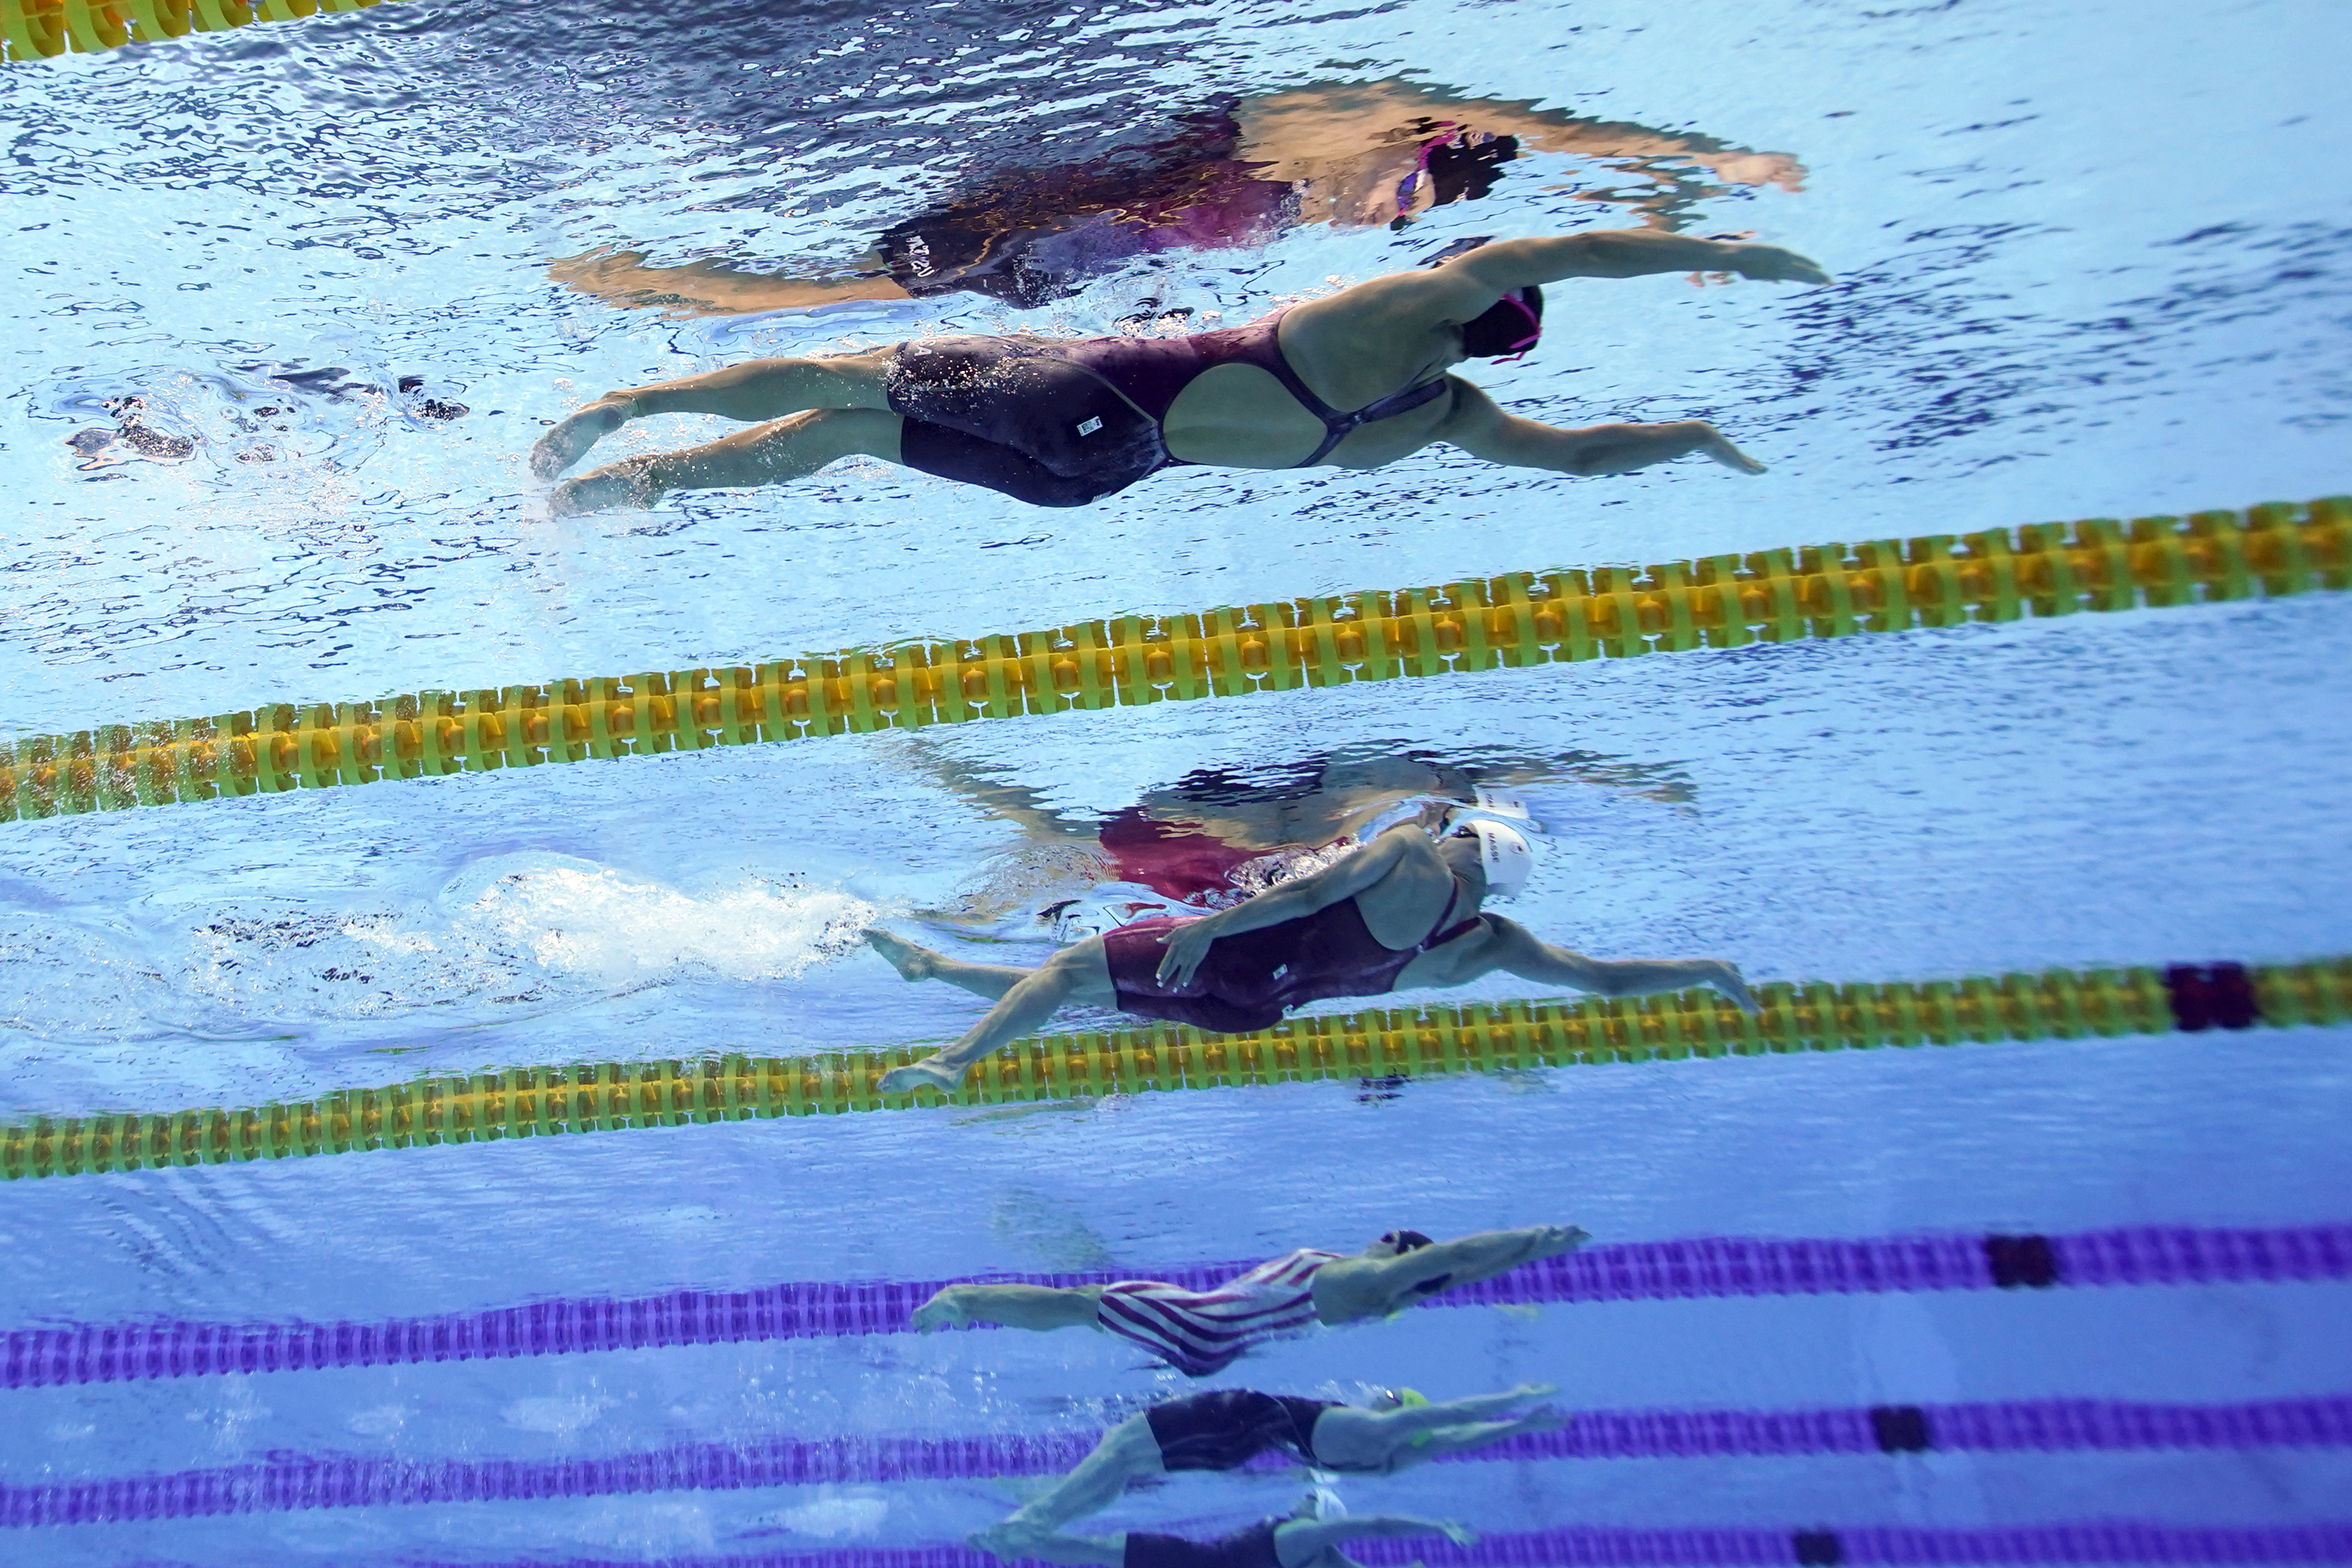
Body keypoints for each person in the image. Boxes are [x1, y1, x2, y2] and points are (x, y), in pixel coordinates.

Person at [532, 226, 1829, 514]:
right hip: (1085, 481)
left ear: (1473, 295)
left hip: (1080, 390)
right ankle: (632, 494)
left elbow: (1578, 247)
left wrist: (1722, 252)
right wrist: (1694, 440)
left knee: (860, 378)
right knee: (848, 440)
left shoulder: (1383, 317)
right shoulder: (1440, 418)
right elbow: (1584, 454)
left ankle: (628, 412)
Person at [549, 81, 1803, 318]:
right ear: (1418, 133)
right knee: (823, 292)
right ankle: (605, 269)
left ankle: (631, 283)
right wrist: (1720, 159)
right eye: (1406, 193)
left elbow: (1553, 165)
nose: (1387, 218)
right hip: (1023, 222)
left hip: (1056, 265)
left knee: (818, 302)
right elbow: (1559, 128)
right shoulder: (1341, 116)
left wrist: (1666, 208)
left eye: (1411, 222)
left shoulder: (1328, 187)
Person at [867, 804, 1755, 1095]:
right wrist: (1704, 970)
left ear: (1465, 842)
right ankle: (936, 969)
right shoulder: (1486, 944)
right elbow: (1599, 980)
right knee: (1073, 991)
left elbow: (1310, 891)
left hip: (1233, 956)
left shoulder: (1411, 851)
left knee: (1065, 971)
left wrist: (1209, 925)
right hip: (1255, 1013)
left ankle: (953, 1061)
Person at [972, 1382, 1562, 1559]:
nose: (1379, 1398)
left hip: (1233, 1417)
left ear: (1400, 1413)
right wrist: (1519, 1427)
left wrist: (1513, 1398)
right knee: (1120, 1467)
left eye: (1389, 1397)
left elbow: (1454, 1409)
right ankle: (1028, 1531)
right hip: (1237, 1443)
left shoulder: (1374, 1431)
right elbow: (1453, 1436)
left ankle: (1033, 1519)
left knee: (1115, 1447)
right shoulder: (1383, 1461)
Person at [910, 1224, 1588, 1377]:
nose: (1382, 1237)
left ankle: (965, 1301)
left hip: (1206, 1322)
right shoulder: (1375, 1294)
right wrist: (1525, 1255)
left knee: (1085, 1301)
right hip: (1218, 1342)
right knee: (1088, 1309)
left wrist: (1535, 1239)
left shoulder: (1363, 1283)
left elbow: (1456, 1260)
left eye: (1394, 1241)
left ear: (1400, 1257)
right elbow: (1455, 1274)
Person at [984, 1496, 1476, 1568]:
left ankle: (1006, 1539)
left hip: (1178, 1559)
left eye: (1307, 1504)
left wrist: (1435, 1526)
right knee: (1087, 1554)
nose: (1298, 1503)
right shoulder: (1305, 1551)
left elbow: (1373, 1524)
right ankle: (1005, 1541)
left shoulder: (1300, 1535)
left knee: (1086, 1552)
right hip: (1181, 1561)